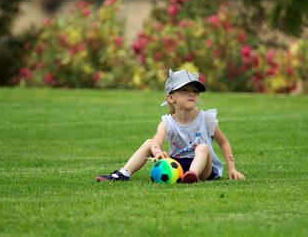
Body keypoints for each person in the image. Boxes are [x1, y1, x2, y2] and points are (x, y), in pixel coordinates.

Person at [95, 69, 245, 183]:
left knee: (203, 147)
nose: (191, 94)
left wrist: (232, 168)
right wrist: (157, 151)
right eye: (185, 90)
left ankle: (192, 176)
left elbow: (223, 142)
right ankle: (123, 173)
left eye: (194, 91)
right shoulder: (167, 122)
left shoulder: (206, 119)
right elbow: (156, 142)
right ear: (171, 98)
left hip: (205, 169)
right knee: (148, 143)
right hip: (177, 166)